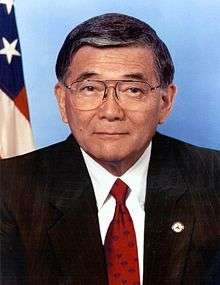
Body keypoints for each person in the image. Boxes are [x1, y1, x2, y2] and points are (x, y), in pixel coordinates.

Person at [0, 13, 219, 285]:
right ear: (61, 100)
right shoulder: (9, 189)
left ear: (165, 101)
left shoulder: (213, 180)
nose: (111, 112)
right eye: (90, 88)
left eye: (133, 90)